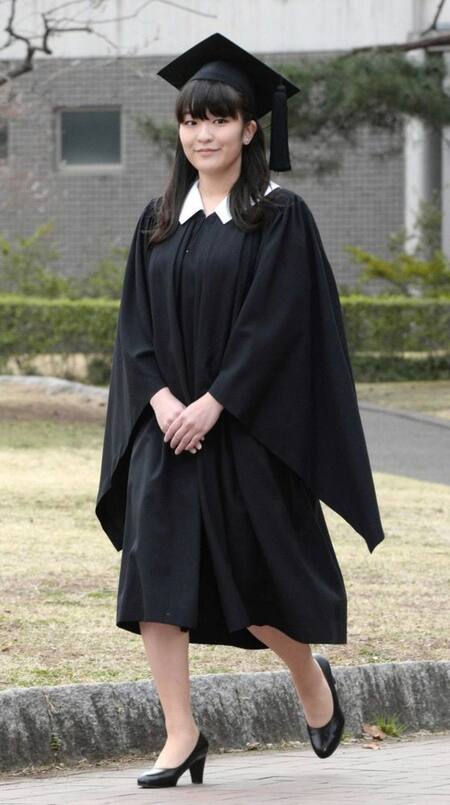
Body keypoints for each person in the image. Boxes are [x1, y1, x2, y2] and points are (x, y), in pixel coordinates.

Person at [95, 32, 385, 789]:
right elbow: (135, 329)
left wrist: (212, 404)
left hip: (241, 433)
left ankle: (310, 677)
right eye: (192, 120)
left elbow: (276, 327)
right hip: (167, 433)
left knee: (253, 590)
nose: (203, 133)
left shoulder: (278, 217)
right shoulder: (158, 219)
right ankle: (180, 734)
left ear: (250, 128)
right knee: (155, 587)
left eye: (219, 119)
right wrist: (162, 401)